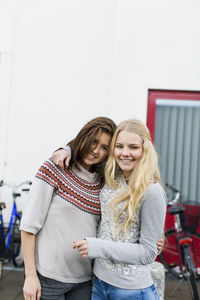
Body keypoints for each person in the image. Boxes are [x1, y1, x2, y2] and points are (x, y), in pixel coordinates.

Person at [20, 117, 116, 300]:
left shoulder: (103, 183)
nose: (96, 150)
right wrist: (30, 276)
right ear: (83, 137)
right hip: (47, 279)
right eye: (93, 141)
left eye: (104, 147)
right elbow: (28, 226)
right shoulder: (55, 168)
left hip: (85, 281)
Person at [72, 119, 167, 300]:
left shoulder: (152, 191)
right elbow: (86, 153)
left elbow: (148, 252)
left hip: (131, 291)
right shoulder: (111, 177)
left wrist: (97, 246)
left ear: (145, 150)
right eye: (119, 146)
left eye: (133, 147)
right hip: (99, 283)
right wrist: (65, 150)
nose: (125, 153)